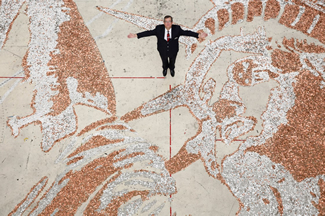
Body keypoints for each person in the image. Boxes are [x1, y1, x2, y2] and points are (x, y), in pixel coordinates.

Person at [128, 15, 208, 77]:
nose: (168, 23)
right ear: (164, 23)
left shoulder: (177, 29)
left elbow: (187, 32)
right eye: (166, 21)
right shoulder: (159, 29)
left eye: (169, 21)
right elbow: (149, 33)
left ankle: (172, 68)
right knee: (164, 60)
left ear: (172, 23)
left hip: (173, 50)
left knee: (172, 61)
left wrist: (198, 35)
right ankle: (165, 68)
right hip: (162, 49)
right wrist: (136, 35)